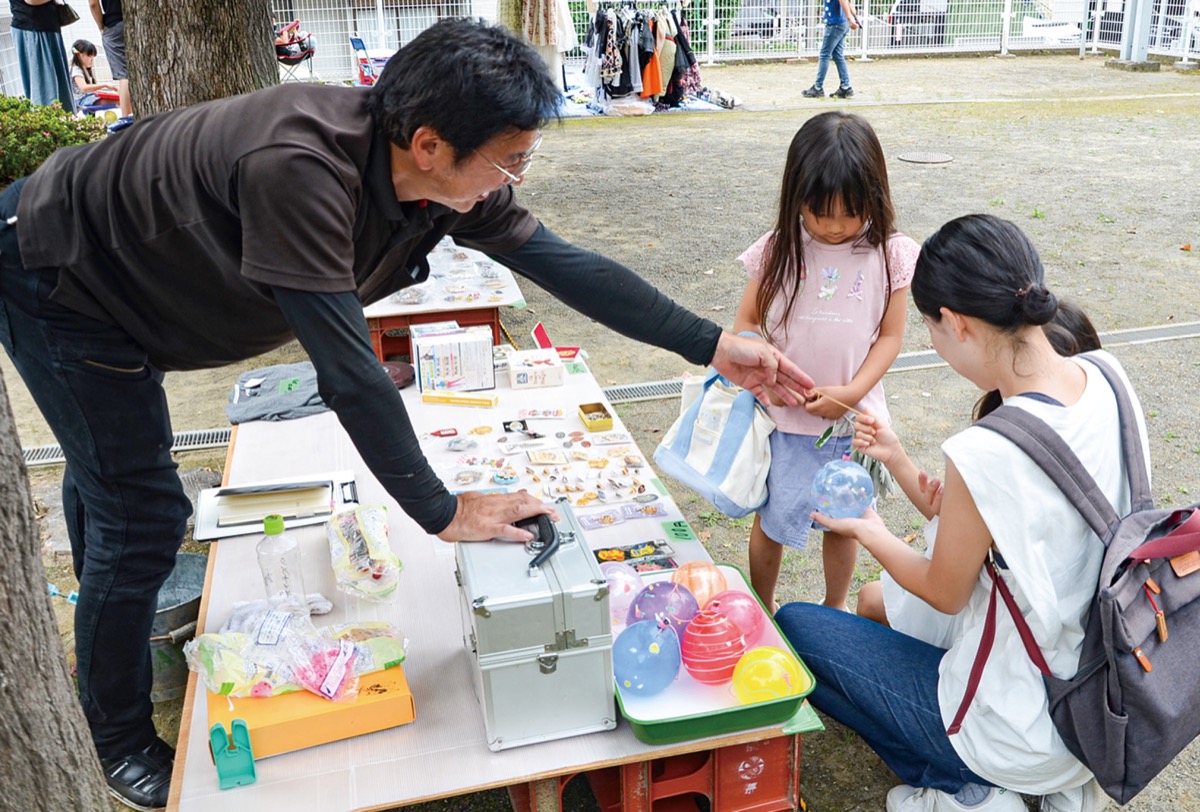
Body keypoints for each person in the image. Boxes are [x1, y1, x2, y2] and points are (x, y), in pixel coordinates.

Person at [0, 18, 813, 811]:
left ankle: (109, 591)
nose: (512, 180)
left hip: (138, 287)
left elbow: (564, 264)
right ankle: (115, 736)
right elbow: (350, 373)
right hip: (62, 278)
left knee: (109, 477)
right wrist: (442, 509)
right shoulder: (300, 167)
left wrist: (711, 345)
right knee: (139, 518)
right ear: (429, 144)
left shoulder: (437, 181)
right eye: (510, 162)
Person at [775, 214, 1138, 812]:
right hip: (1102, 698)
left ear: (956, 323)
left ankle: (979, 788)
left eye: (932, 334)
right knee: (878, 610)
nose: (937, 349)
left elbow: (945, 591)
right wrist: (893, 456)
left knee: (798, 625)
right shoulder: (1109, 378)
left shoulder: (986, 450)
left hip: (1017, 729)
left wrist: (865, 526)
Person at [732, 111, 916, 613]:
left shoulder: (891, 254)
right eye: (820, 214)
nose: (834, 228)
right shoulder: (778, 248)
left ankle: (834, 609)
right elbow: (746, 322)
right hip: (786, 418)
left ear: (875, 197)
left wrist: (851, 394)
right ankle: (763, 606)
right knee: (772, 519)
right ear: (797, 198)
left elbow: (891, 337)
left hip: (855, 426)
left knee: (847, 523)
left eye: (850, 214)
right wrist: (765, 371)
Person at [855, 298, 1103, 628]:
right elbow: (968, 525)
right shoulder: (1092, 421)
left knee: (856, 605)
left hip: (1000, 619)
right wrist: (896, 457)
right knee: (871, 599)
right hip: (1014, 597)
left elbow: (945, 592)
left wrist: (872, 531)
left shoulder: (1000, 446)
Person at [10, 0, 75, 110]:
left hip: (44, 28)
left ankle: (60, 123)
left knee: (57, 92)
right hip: (35, 29)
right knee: (46, 94)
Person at [802, 0, 860, 99]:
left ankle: (818, 87)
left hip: (835, 23)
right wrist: (851, 14)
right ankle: (845, 86)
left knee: (825, 54)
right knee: (838, 55)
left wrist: (850, 18)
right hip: (841, 22)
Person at [87, 0, 129, 116]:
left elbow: (93, 3)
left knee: (124, 76)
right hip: (140, 21)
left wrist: (101, 26)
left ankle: (128, 121)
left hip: (114, 23)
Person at [68, 39, 118, 110]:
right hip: (82, 101)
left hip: (88, 98)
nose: (92, 59)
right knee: (118, 102)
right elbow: (84, 88)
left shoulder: (85, 68)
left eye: (93, 57)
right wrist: (105, 85)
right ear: (80, 55)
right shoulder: (76, 69)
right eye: (89, 56)